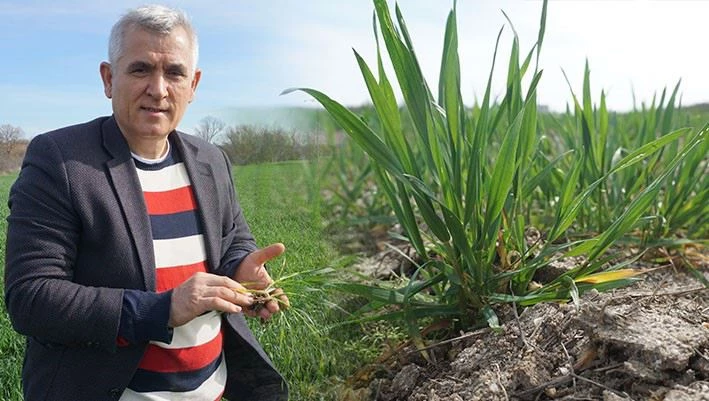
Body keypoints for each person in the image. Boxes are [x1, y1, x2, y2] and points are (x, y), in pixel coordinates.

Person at [4, 4, 288, 401]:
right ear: (108, 78)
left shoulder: (211, 160)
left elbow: (232, 239)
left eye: (174, 72)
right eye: (140, 69)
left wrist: (241, 267)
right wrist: (161, 310)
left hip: (214, 390)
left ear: (194, 84)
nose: (158, 88)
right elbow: (31, 298)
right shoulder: (61, 161)